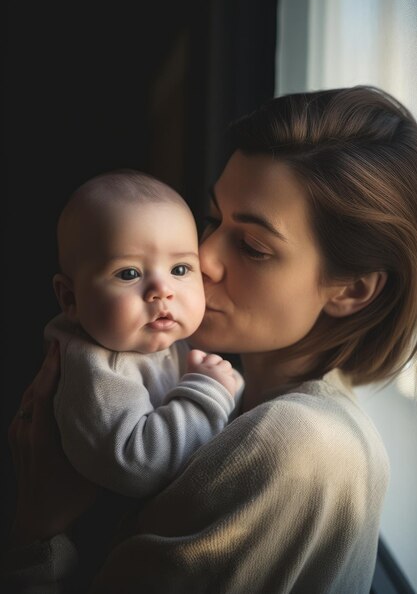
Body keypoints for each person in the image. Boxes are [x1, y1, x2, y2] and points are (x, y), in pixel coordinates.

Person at [4, 86, 417, 594]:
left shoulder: (301, 445)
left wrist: (36, 532)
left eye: (252, 246)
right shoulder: (216, 382)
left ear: (351, 290)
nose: (202, 258)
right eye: (213, 220)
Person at [43, 169, 241, 499]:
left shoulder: (163, 341)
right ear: (71, 299)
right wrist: (209, 389)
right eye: (129, 273)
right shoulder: (97, 371)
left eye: (180, 269)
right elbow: (139, 465)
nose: (162, 291)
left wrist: (226, 391)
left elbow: (227, 410)